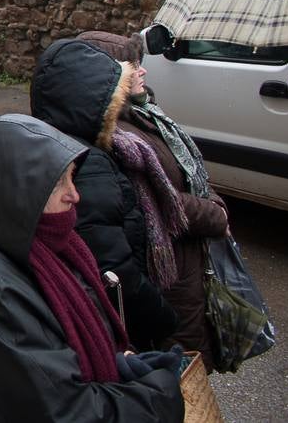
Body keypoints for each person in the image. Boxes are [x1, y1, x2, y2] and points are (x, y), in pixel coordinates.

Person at [0, 115, 185, 422]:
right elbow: (63, 409)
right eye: (59, 182)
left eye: (72, 178)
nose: (74, 194)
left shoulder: (51, 243)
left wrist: (119, 362)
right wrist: (160, 397)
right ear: (22, 190)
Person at [77, 31, 229, 366]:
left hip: (186, 268)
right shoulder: (114, 137)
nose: (143, 71)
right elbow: (158, 203)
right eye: (132, 66)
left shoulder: (142, 115)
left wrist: (208, 194)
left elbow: (184, 174)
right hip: (169, 276)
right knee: (181, 372)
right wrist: (214, 214)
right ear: (109, 77)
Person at [31, 39, 179, 351]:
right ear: (93, 99)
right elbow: (112, 265)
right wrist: (162, 318)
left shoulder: (55, 144)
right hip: (117, 324)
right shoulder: (88, 163)